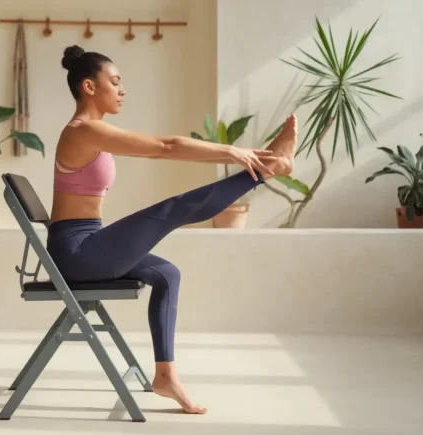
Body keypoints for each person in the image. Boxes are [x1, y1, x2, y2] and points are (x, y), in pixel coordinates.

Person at [46, 45, 297, 415]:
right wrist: (234, 152)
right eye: (114, 82)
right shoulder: (82, 132)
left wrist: (239, 154)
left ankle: (166, 376)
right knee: (171, 210)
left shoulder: (94, 132)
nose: (122, 89)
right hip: (78, 252)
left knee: (166, 274)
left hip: (86, 243)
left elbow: (168, 149)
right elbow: (165, 147)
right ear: (88, 86)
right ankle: (266, 169)